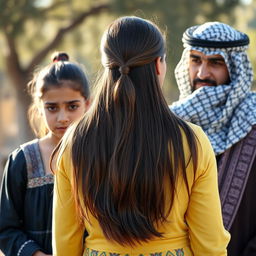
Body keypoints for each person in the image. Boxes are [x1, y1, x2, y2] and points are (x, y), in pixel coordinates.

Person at [52, 16, 229, 256]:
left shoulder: (75, 140)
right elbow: (210, 244)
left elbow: (65, 243)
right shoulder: (192, 141)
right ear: (159, 64)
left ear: (106, 65)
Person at [170, 22, 256, 256]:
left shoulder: (253, 121)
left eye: (215, 63)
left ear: (234, 68)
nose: (202, 74)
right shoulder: (169, 126)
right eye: (196, 60)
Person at [0, 52, 90, 256]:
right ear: (40, 108)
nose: (62, 117)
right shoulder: (22, 160)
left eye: (72, 106)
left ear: (88, 104)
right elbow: (6, 229)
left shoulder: (100, 156)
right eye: (52, 108)